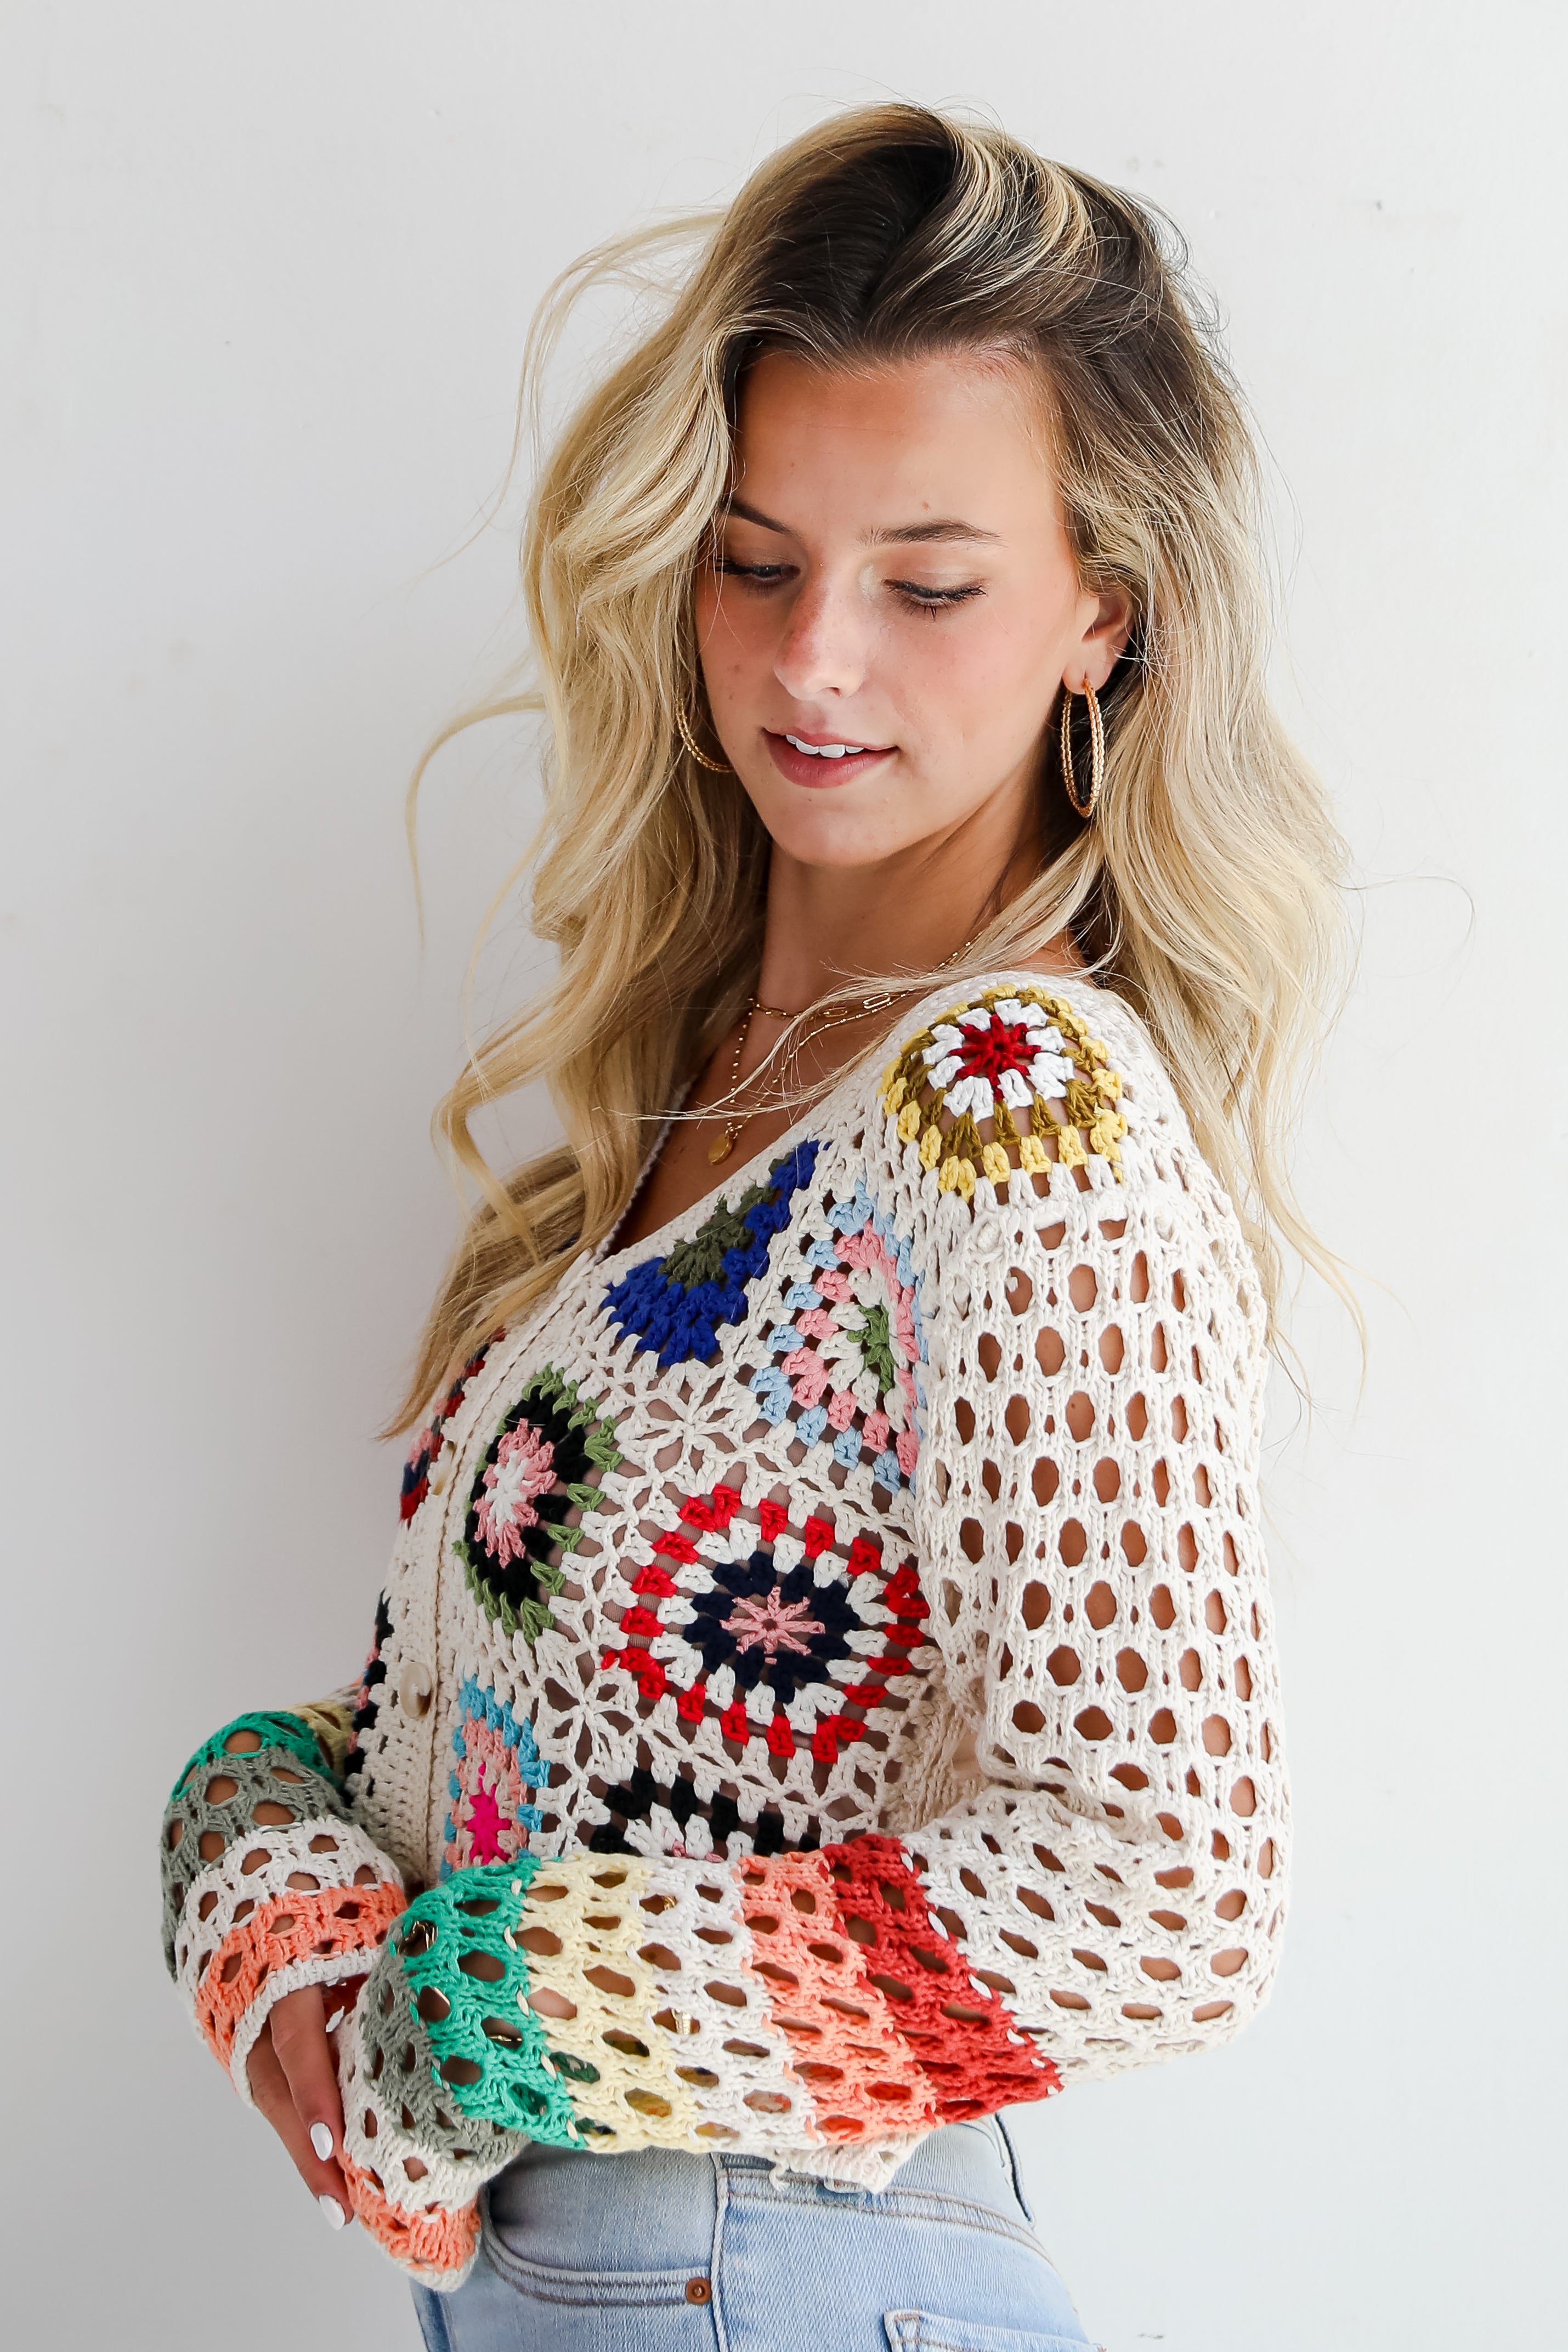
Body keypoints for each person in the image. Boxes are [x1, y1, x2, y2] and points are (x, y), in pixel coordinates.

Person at [160, 104, 1346, 2350]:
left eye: (927, 585)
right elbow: (563, 1748)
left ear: (1101, 611)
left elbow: (1168, 1879)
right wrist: (267, 1835)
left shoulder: (1015, 1111)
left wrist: (498, 2010)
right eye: (752, 560)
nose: (814, 662)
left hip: (764, 2252)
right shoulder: (703, 1108)